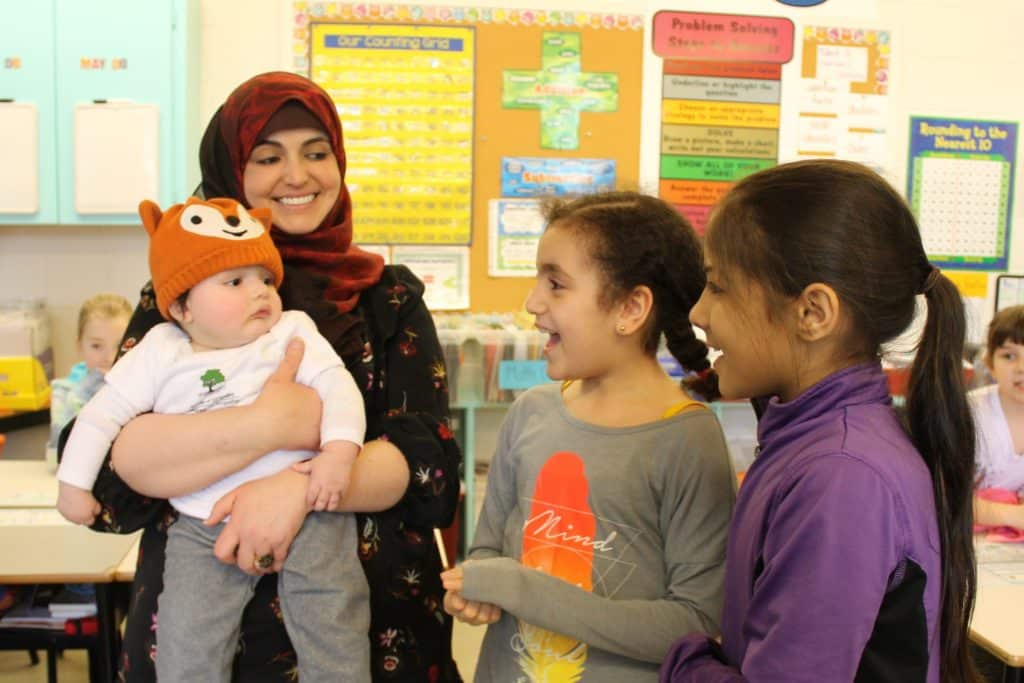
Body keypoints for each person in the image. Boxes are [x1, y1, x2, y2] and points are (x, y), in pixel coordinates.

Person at [65, 71, 462, 681]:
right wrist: (268, 423)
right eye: (268, 157)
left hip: (371, 633)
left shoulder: (389, 297)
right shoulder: (180, 293)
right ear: (232, 175)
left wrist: (292, 491)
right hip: (206, 639)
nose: (298, 176)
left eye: (317, 152)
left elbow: (429, 467)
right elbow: (109, 481)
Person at [659, 159, 978, 682]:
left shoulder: (842, 474)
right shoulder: (811, 442)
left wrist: (686, 661)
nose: (697, 312)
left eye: (718, 288)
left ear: (813, 313)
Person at [57, 196, 370, 681]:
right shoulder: (160, 350)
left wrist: (339, 452)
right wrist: (73, 486)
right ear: (182, 305)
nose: (260, 292)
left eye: (266, 279)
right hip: (202, 521)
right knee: (186, 642)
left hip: (309, 509)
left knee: (335, 625)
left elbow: (338, 387)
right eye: (235, 282)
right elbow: (100, 417)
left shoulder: (291, 330)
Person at [441, 192, 736, 681]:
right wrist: (477, 588)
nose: (532, 302)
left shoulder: (688, 442)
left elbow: (695, 623)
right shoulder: (530, 412)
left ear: (630, 308)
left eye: (556, 284)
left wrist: (521, 590)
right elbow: (489, 551)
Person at [46, 292, 132, 468]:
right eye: (96, 346)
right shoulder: (64, 391)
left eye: (119, 345)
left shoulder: (141, 388)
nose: (109, 357)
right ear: (80, 347)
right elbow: (57, 450)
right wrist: (87, 390)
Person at [970, 305, 1024, 534]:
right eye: (1009, 356)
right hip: (961, 543)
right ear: (990, 363)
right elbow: (942, 500)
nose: (1022, 368)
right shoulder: (970, 414)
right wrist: (1012, 515)